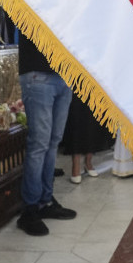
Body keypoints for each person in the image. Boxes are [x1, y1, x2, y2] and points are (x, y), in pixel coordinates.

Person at [16, 29, 80, 233]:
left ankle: (45, 200)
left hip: (63, 74)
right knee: (39, 144)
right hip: (38, 72)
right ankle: (30, 209)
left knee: (53, 143)